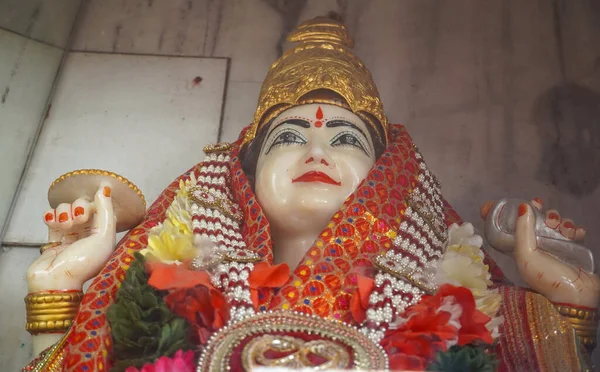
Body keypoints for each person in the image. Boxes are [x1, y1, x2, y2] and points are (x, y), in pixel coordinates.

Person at [23, 16, 599, 372]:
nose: (317, 151)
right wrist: (59, 289)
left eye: (345, 137)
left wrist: (567, 310)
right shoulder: (158, 299)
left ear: (386, 174)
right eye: (291, 135)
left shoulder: (471, 310)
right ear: (244, 174)